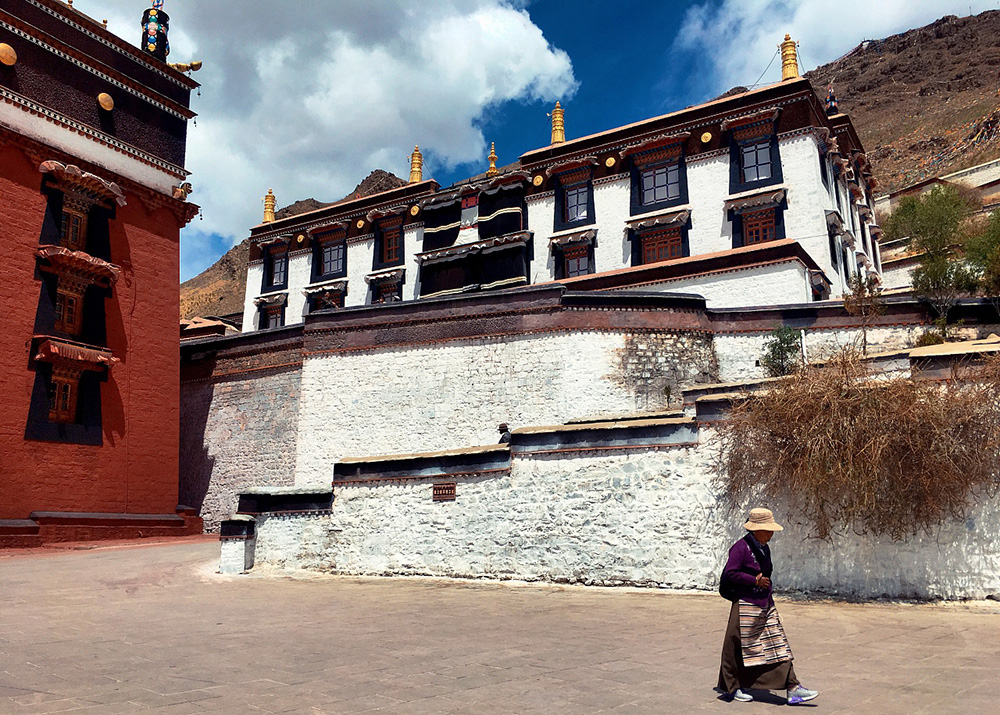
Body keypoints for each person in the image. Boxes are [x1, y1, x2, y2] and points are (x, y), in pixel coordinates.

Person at [717, 508, 819, 705]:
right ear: (756, 530)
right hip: (745, 605)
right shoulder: (740, 548)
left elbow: (767, 574)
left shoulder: (764, 548)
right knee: (737, 645)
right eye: (767, 530)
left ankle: (793, 687)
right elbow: (730, 573)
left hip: (764, 604)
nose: (771, 534)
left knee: (777, 643)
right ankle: (733, 687)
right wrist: (754, 580)